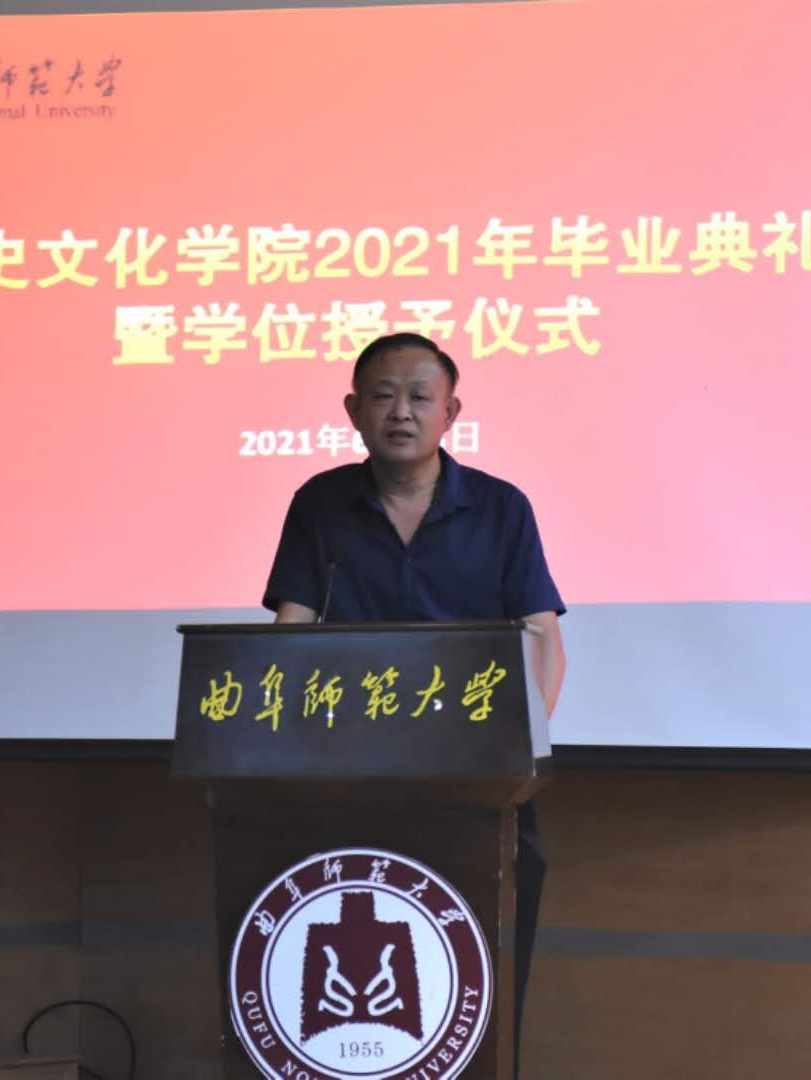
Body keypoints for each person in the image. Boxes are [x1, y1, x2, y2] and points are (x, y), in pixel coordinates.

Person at [262, 331, 566, 1077]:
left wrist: (520, 747)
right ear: (352, 410)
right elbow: (291, 631)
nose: (401, 412)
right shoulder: (320, 505)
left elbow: (541, 638)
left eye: (420, 397)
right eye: (383, 396)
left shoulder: (501, 509)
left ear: (451, 412)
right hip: (345, 776)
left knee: (479, 964)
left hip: (479, 779)